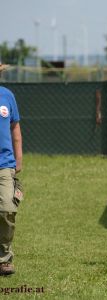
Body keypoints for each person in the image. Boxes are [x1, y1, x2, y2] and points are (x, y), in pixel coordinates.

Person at [0, 64, 23, 275]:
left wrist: (19, 158)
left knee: (7, 209)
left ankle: (4, 259)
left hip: (4, 164)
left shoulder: (7, 96)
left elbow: (15, 128)